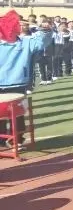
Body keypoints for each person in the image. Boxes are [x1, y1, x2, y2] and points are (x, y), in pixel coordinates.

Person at [0, 17, 48, 146]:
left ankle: (18, 139)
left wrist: (44, 29)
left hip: (19, 83)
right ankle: (3, 140)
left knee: (19, 114)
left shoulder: (26, 42)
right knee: (1, 115)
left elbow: (42, 42)